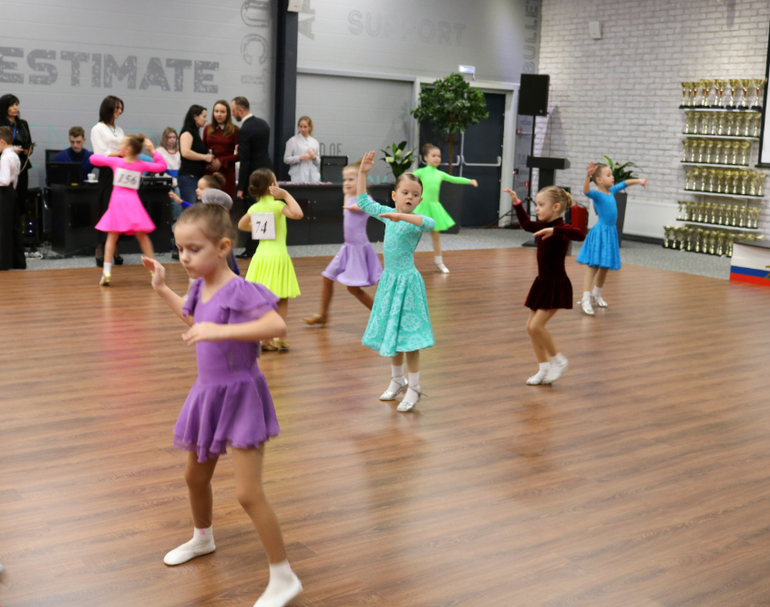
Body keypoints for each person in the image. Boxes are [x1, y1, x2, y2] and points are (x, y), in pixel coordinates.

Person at [141, 204, 302, 607]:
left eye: (193, 249)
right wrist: (161, 289)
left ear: (223, 247)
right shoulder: (201, 286)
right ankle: (203, 537)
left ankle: (284, 577)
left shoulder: (240, 289)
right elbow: (194, 319)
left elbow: (276, 326)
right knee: (195, 477)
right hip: (208, 395)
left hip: (241, 395)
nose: (184, 258)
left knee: (248, 493)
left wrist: (220, 330)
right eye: (179, 249)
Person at [355, 151, 435, 412]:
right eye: (405, 192)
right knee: (393, 333)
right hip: (390, 282)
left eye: (415, 194)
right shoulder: (388, 213)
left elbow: (429, 223)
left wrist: (401, 217)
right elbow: (362, 202)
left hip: (408, 285)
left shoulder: (413, 222)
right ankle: (397, 380)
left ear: (420, 199)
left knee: (409, 340)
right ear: (394, 195)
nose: (410, 197)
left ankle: (415, 387)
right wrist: (362, 173)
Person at [505, 187, 586, 385]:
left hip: (555, 285)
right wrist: (516, 202)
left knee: (536, 326)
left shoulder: (560, 229)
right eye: (537, 205)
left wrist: (555, 230)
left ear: (556, 207)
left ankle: (559, 361)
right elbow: (526, 224)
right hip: (542, 282)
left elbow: (580, 234)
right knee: (530, 327)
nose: (537, 209)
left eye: (541, 205)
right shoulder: (543, 225)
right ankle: (543, 368)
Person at [303, 161, 382, 326]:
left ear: (361, 181)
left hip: (358, 249)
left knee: (353, 289)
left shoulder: (365, 200)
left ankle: (381, 316)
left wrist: (358, 205)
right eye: (344, 179)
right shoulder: (348, 197)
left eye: (351, 179)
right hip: (347, 248)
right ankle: (322, 314)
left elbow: (368, 206)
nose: (346, 183)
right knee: (327, 277)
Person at [237, 169, 302, 352]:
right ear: (272, 186)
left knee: (262, 300)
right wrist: (286, 195)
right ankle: (277, 337)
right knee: (281, 299)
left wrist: (258, 230)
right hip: (278, 256)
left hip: (260, 257)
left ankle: (262, 339)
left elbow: (241, 225)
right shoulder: (277, 205)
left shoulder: (254, 208)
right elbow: (297, 214)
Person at [91, 134, 167, 286]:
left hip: (117, 204)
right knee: (142, 237)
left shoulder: (116, 161)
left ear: (127, 149)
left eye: (121, 145)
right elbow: (161, 166)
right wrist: (153, 151)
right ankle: (154, 270)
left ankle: (106, 272)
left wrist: (111, 154)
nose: (119, 147)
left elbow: (93, 159)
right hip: (133, 205)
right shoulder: (140, 165)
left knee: (111, 237)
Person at [577, 162, 648, 316]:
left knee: (605, 266)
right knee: (594, 266)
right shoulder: (597, 195)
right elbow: (586, 191)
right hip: (600, 232)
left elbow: (625, 183)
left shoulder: (612, 191)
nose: (612, 177)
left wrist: (639, 181)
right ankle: (585, 299)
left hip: (610, 233)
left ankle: (596, 294)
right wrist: (588, 176)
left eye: (612, 175)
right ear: (599, 180)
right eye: (608, 175)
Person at [412, 143, 478, 274]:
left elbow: (453, 179)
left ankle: (439, 261)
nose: (437, 158)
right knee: (413, 235)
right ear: (426, 158)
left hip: (434, 208)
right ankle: (405, 261)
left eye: (439, 156)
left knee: (435, 236)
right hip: (421, 207)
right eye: (433, 156)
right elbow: (407, 179)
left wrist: (469, 181)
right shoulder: (421, 172)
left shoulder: (440, 174)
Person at [168, 173, 240, 276]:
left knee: (228, 262)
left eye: (201, 188)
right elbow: (193, 208)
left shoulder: (216, 210)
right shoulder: (204, 208)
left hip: (217, 241)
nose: (197, 190)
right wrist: (180, 201)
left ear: (212, 192)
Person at [231, 96, 272, 258]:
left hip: (254, 177)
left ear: (240, 110)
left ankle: (252, 249)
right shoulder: (263, 124)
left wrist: (241, 187)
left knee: (254, 212)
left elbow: (245, 161)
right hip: (267, 172)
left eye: (233, 111)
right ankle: (266, 246)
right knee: (266, 210)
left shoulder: (244, 130)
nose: (233, 114)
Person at [91, 95, 125, 266]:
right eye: (117, 108)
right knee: (105, 208)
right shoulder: (98, 129)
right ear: (108, 108)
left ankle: (114, 246)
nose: (119, 111)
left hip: (121, 172)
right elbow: (100, 153)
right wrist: (120, 153)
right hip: (107, 172)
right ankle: (100, 246)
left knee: (118, 209)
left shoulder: (119, 130)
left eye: (121, 108)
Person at [0, 95, 34, 227]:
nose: (15, 108)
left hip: (21, 164)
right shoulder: (1, 124)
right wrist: (10, 149)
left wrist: (28, 150)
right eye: (12, 105)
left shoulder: (22, 124)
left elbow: (28, 142)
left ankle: (19, 228)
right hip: (4, 162)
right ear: (5, 107)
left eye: (16, 105)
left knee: (21, 197)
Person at [202, 100, 239, 200]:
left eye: (222, 112)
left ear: (228, 114)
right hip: (210, 171)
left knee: (225, 201)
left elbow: (240, 155)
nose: (219, 115)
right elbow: (203, 149)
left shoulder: (235, 130)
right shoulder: (207, 128)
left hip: (227, 171)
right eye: (216, 111)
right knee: (209, 201)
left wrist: (222, 161)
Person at [179, 105, 214, 208]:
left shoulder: (196, 133)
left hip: (196, 177)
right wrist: (204, 157)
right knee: (190, 209)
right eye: (204, 117)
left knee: (197, 209)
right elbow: (185, 152)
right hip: (189, 177)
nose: (206, 120)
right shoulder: (187, 132)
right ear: (195, 117)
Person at [0, 125, 25, 270]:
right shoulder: (15, 156)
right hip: (11, 192)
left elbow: (3, 180)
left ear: (2, 142)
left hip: (4, 192)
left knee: (3, 228)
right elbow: (15, 178)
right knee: (14, 227)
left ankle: (3, 262)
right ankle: (18, 261)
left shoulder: (5, 157)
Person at [283, 116, 320, 182]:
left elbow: (318, 161)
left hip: (312, 176)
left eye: (305, 127)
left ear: (310, 127)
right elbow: (286, 159)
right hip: (298, 176)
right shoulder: (292, 141)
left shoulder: (314, 142)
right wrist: (300, 158)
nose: (302, 129)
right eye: (300, 127)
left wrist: (314, 157)